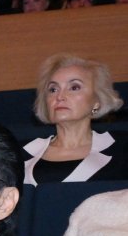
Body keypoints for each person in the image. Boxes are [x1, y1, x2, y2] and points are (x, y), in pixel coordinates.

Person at [21, 53, 127, 184]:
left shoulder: (122, 148)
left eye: (74, 87)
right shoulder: (19, 153)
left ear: (97, 102)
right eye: (53, 90)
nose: (60, 96)